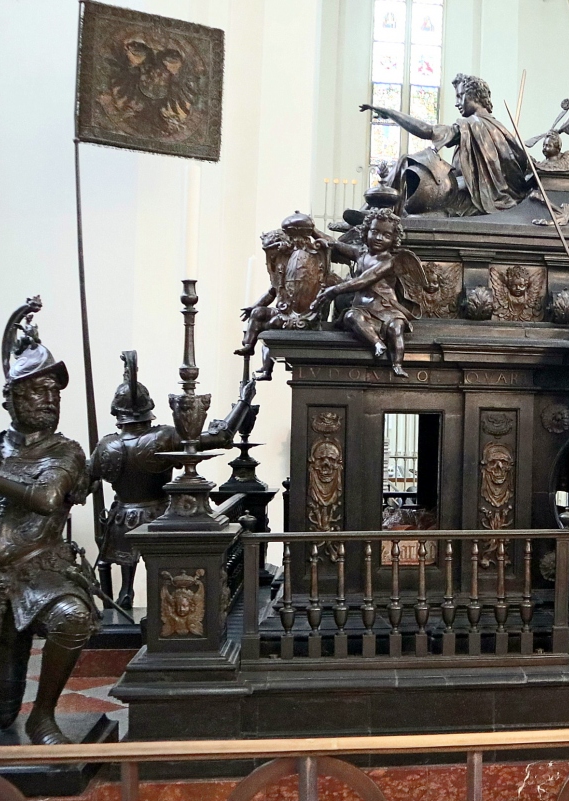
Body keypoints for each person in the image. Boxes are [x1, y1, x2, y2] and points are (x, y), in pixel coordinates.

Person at [0, 299, 97, 745]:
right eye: (37, 390)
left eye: (54, 392)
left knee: (72, 617)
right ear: (11, 397)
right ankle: (10, 711)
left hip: (41, 572)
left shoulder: (64, 450)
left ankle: (44, 717)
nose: (49, 400)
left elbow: (47, 498)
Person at [90, 352, 255, 607]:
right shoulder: (161, 438)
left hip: (121, 519)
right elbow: (220, 437)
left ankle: (125, 593)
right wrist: (243, 403)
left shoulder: (106, 445)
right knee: (164, 579)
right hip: (158, 517)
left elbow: (87, 480)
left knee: (125, 581)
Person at [361, 73, 531, 216]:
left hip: (474, 197)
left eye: (460, 96)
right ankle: (378, 212)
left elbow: (427, 131)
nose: (457, 103)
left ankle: (374, 212)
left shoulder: (472, 125)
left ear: (476, 96)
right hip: (475, 192)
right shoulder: (501, 130)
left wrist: (391, 113)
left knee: (405, 163)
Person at [309, 209, 427, 377]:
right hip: (363, 307)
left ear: (394, 239)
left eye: (386, 235)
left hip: (387, 308)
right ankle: (377, 343)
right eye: (375, 232)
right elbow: (334, 243)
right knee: (351, 317)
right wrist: (313, 230)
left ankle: (397, 364)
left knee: (396, 328)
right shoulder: (360, 253)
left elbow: (364, 280)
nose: (379, 238)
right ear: (366, 232)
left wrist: (335, 290)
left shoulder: (389, 262)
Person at [237, 212, 339, 380]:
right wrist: (253, 306)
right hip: (286, 312)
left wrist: (314, 231)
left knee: (270, 329)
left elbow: (333, 245)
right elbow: (272, 292)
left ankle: (266, 370)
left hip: (309, 317)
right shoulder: (284, 263)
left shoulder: (317, 260)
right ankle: (248, 345)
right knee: (257, 313)